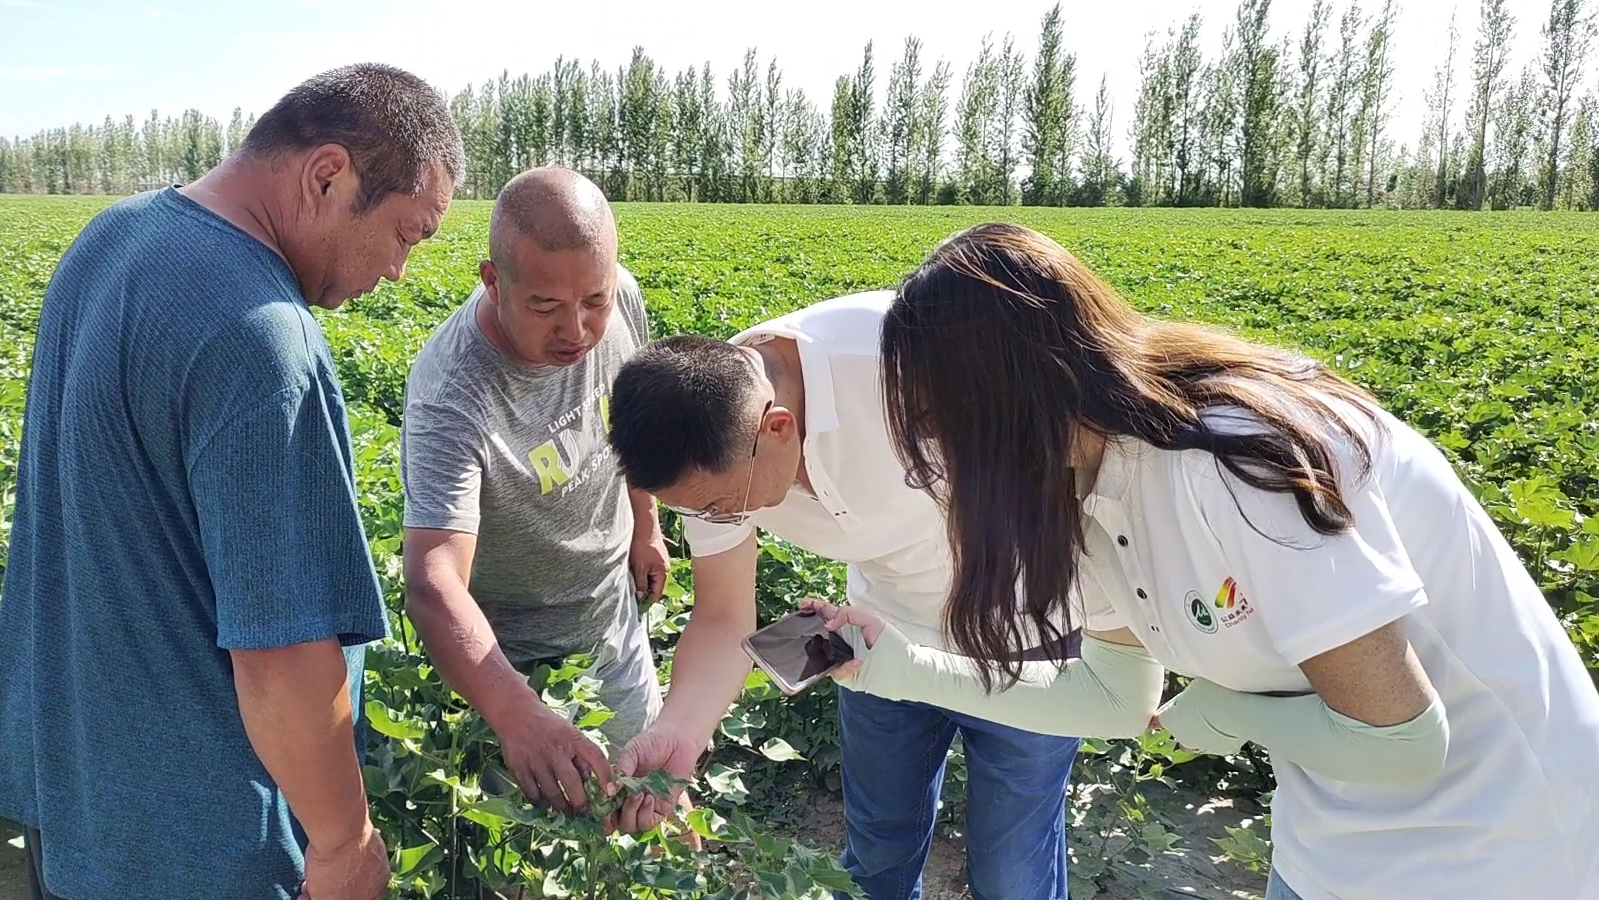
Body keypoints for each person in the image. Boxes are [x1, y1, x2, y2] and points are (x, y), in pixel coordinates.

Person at [813, 222, 1599, 900]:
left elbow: (1401, 740)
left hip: (1502, 843)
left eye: (934, 420)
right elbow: (1113, 698)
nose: (929, 454)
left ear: (1016, 395)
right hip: (1334, 836)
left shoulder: (1234, 462)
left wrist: (1228, 715)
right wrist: (896, 669)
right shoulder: (1084, 484)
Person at [0, 63, 463, 900]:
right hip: (202, 845)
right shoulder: (261, 337)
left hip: (77, 806)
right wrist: (343, 842)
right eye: (406, 234)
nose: (398, 270)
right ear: (328, 175)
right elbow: (282, 654)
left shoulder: (108, 238)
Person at [602, 291, 1086, 900]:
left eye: (723, 507)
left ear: (779, 429)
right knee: (877, 852)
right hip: (879, 638)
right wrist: (680, 730)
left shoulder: (904, 359)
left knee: (1012, 869)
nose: (720, 518)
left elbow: (1075, 472)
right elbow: (724, 615)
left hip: (1023, 639)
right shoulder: (712, 440)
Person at [400, 166, 669, 818]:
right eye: (545, 306)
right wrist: (514, 711)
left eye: (593, 302)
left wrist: (646, 521)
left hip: (612, 620)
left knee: (644, 818)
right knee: (531, 862)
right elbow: (434, 579)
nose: (577, 330)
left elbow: (638, 414)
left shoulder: (621, 297)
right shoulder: (453, 389)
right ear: (493, 282)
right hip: (509, 658)